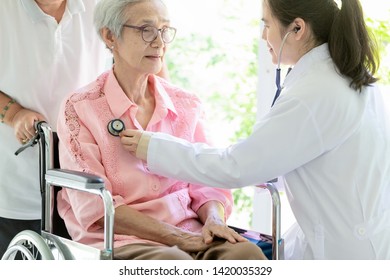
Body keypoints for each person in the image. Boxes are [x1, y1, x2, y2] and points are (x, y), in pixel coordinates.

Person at [123, 0, 390, 260]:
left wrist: (153, 146)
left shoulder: (314, 93)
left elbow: (235, 166)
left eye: (266, 24)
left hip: (348, 251)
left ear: (297, 29)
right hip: (357, 239)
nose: (263, 35)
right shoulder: (348, 77)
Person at [56, 0, 266, 260]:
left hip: (192, 231)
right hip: (119, 239)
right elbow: (96, 206)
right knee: (174, 263)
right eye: (146, 29)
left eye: (164, 30)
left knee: (246, 254)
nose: (159, 42)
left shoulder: (186, 104)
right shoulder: (79, 108)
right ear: (110, 36)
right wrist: (176, 238)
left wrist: (213, 219)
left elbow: (207, 182)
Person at [0, 0, 111, 258]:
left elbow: (142, 61)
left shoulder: (99, 7)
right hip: (12, 188)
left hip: (83, 190)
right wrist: (14, 113)